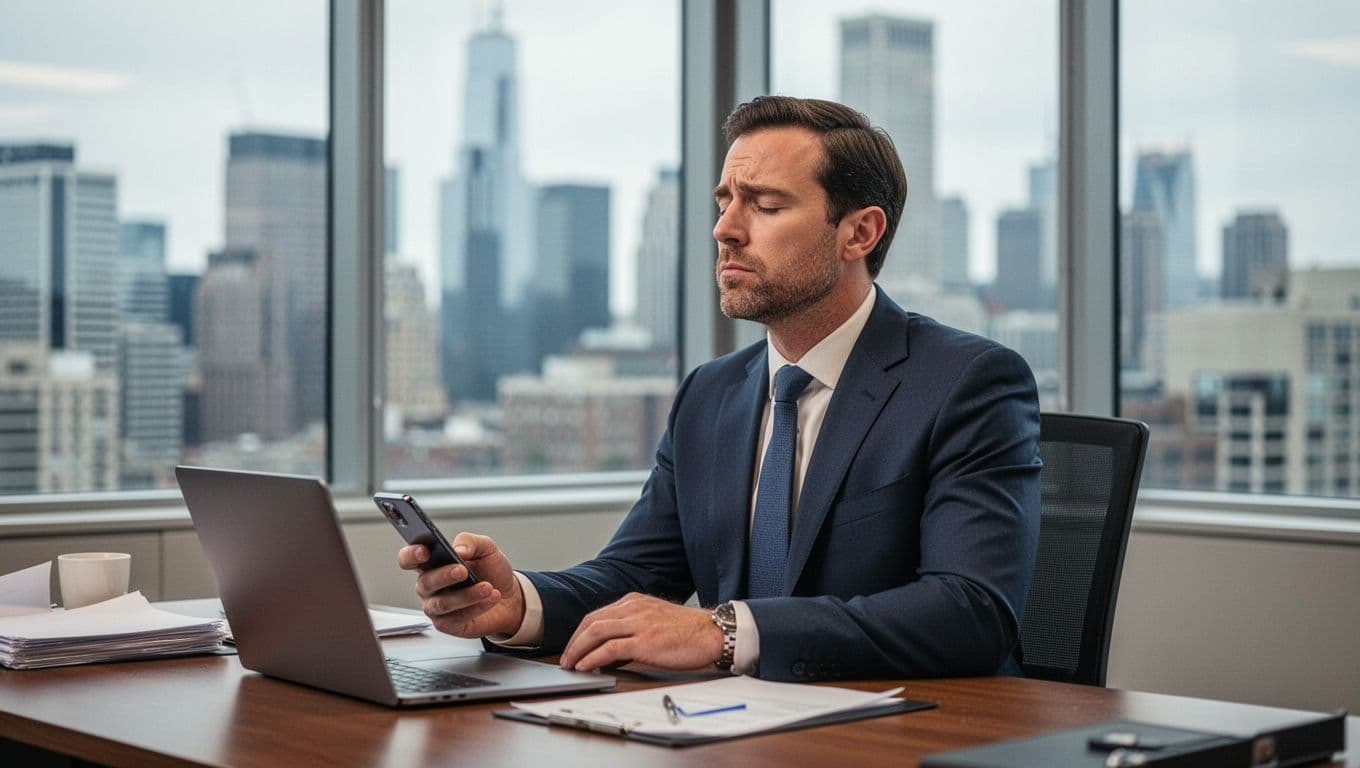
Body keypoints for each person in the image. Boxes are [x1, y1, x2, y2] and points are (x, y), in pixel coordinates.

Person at [398, 95, 1041, 682]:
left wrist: (724, 630)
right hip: (733, 731)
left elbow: (971, 610)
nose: (725, 229)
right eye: (724, 201)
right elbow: (633, 575)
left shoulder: (968, 383)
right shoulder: (710, 394)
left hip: (910, 735)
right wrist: (517, 604)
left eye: (764, 205)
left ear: (859, 233)